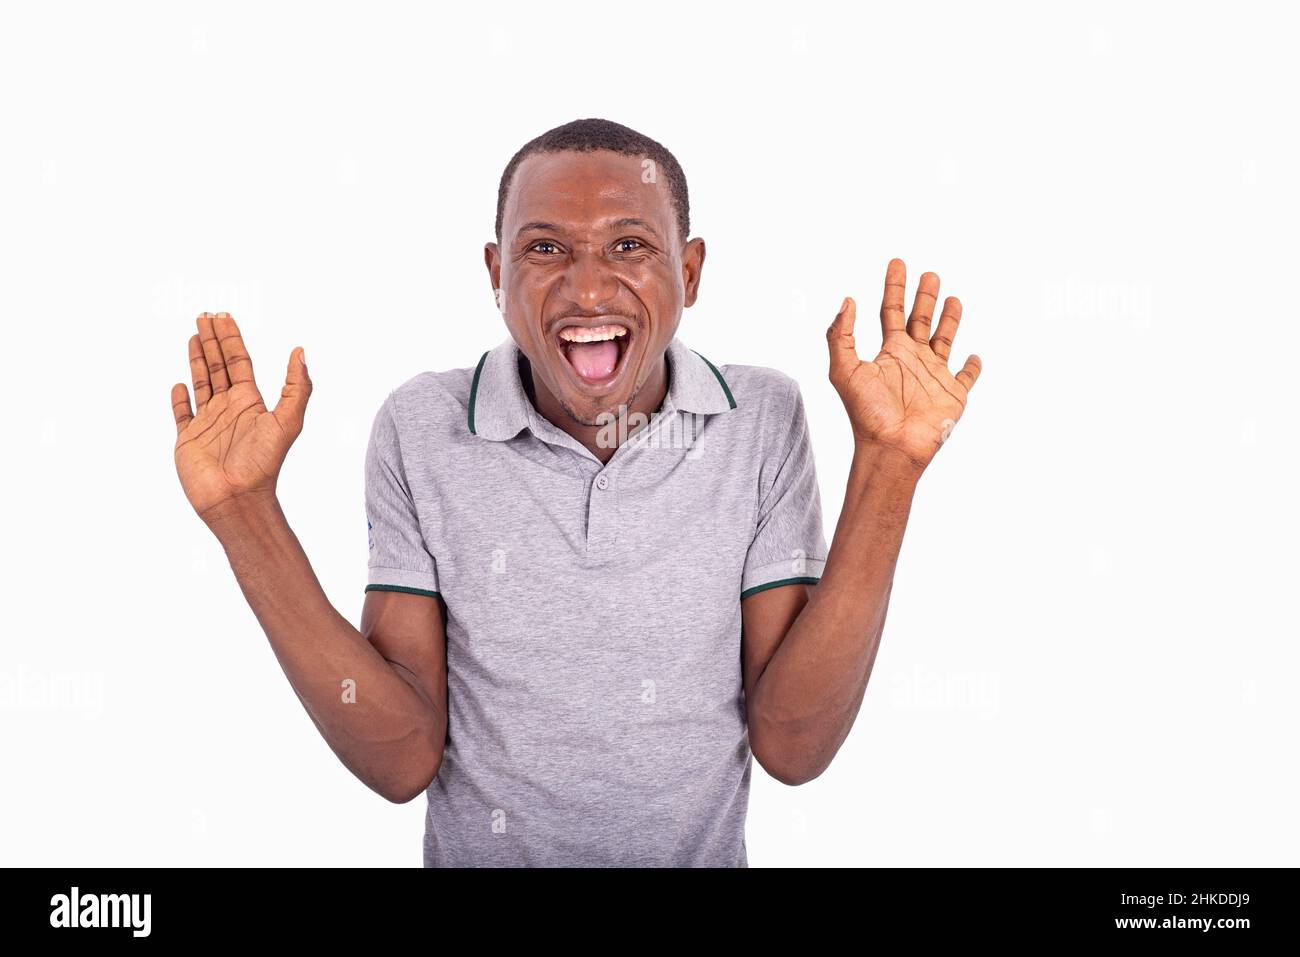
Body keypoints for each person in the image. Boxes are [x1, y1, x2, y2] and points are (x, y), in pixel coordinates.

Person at [169, 118, 982, 867]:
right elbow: (401, 754)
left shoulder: (760, 420)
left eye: (629, 245)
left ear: (689, 272)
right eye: (546, 250)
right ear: (496, 273)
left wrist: (889, 465)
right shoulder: (423, 426)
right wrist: (246, 516)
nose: (589, 290)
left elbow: (794, 743)